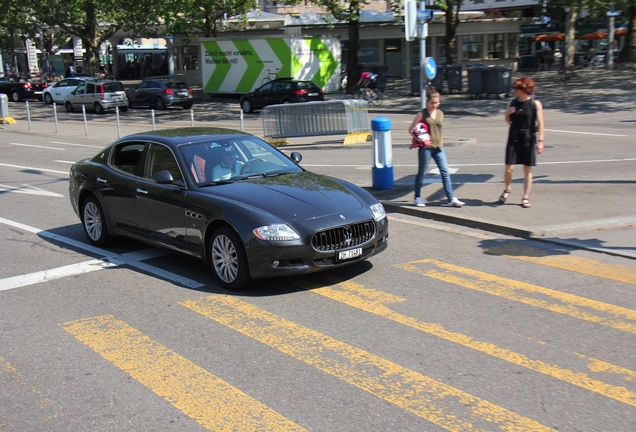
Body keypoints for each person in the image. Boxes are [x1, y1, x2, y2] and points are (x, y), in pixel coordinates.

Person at [409, 86, 465, 208]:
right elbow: (411, 130)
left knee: (445, 172)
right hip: (426, 148)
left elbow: (439, 130)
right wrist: (420, 140)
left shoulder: (440, 113)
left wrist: (442, 143)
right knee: (422, 173)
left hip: (439, 148)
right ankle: (417, 197)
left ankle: (451, 198)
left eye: (436, 102)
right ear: (427, 101)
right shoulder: (422, 114)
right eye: (432, 103)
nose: (434, 105)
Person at [499, 77, 544, 208]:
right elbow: (508, 121)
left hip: (528, 137)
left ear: (525, 90)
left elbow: (541, 124)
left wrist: (540, 141)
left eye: (517, 88)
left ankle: (525, 197)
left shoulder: (535, 104)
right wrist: (507, 113)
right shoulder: (512, 103)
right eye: (515, 88)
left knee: (527, 169)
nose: (515, 90)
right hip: (514, 136)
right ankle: (507, 189)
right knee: (509, 168)